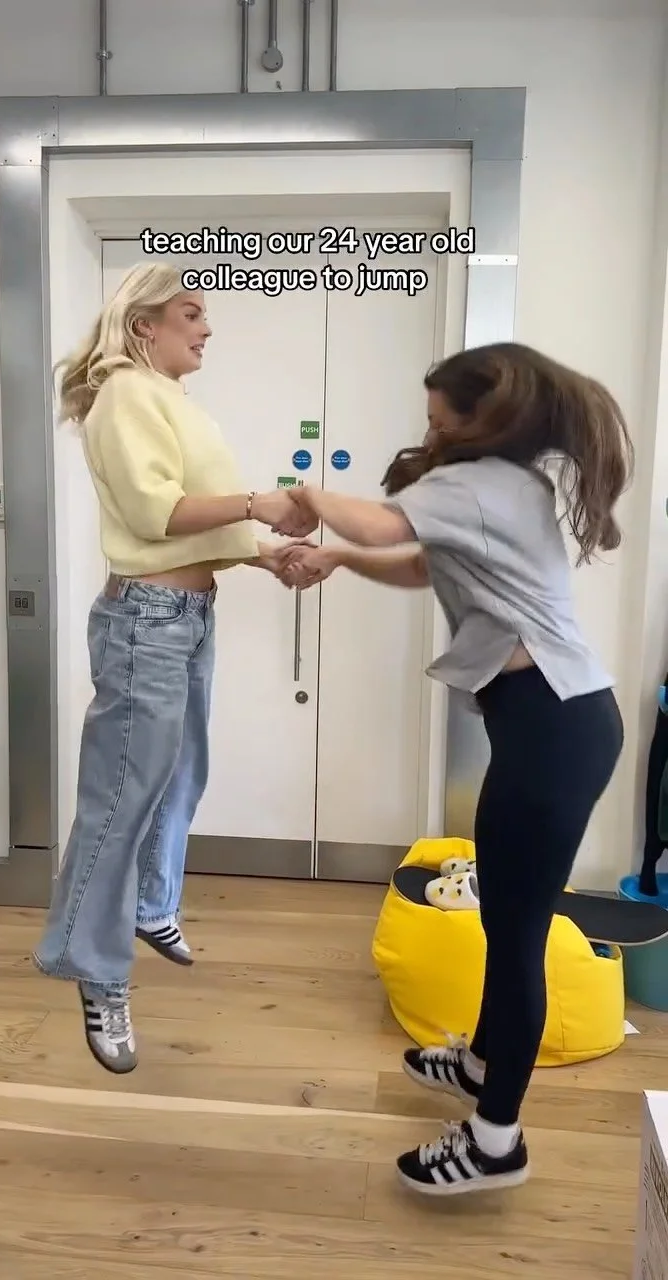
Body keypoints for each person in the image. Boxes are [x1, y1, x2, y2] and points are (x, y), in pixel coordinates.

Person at [274, 341, 632, 1197]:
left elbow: (381, 525)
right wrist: (338, 558)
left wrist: (304, 498)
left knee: (516, 936)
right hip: (557, 723)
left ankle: (496, 1142)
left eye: (442, 420)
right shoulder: (503, 485)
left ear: (487, 419)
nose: (430, 432)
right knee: (507, 920)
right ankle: (478, 1064)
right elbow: (421, 562)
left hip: (553, 729)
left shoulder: (479, 482)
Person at [33, 263, 316, 1074]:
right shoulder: (126, 392)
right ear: (142, 324)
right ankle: (93, 967)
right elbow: (155, 513)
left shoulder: (170, 398)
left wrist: (264, 555)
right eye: (191, 313)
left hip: (185, 617)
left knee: (180, 775)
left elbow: (187, 525)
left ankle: (150, 904)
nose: (207, 328)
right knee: (120, 798)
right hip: (146, 624)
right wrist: (258, 504)